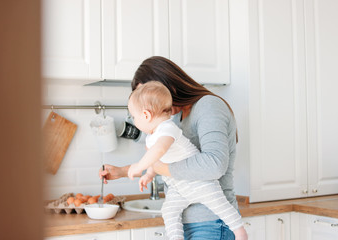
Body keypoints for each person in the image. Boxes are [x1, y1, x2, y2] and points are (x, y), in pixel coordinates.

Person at [100, 56, 248, 240]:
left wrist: (163, 168)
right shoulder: (174, 120)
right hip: (187, 221)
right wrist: (123, 171)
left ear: (166, 87)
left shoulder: (208, 106)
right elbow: (164, 160)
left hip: (211, 221)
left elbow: (215, 164)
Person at [127, 81, 243, 240]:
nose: (134, 120)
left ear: (146, 115)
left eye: (134, 116)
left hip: (198, 183)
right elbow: (158, 160)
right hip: (179, 188)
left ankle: (239, 231)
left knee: (219, 203)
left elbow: (160, 150)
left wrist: (140, 166)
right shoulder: (152, 137)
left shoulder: (167, 128)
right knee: (169, 211)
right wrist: (148, 174)